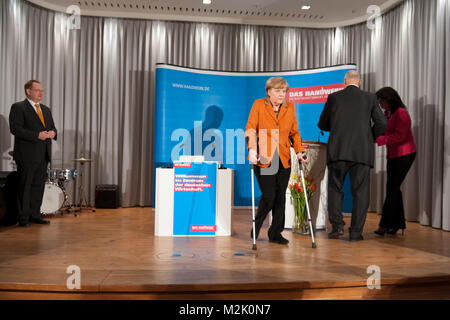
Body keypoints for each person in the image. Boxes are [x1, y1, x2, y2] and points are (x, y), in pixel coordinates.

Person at [318, 70, 386, 241]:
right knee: (361, 192)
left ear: (344, 81)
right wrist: (369, 137)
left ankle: (337, 227)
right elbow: (382, 123)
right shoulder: (370, 98)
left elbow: (322, 123)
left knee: (335, 188)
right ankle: (356, 232)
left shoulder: (333, 97)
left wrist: (337, 127)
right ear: (360, 82)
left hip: (338, 151)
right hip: (362, 152)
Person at [245, 77, 308, 245]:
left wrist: (300, 151)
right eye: (278, 91)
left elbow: (294, 133)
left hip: (284, 157)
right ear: (269, 92)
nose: (282, 95)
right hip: (265, 155)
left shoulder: (290, 108)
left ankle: (275, 233)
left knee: (280, 197)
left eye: (284, 91)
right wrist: (252, 148)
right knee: (269, 195)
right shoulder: (259, 105)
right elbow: (251, 128)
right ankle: (257, 225)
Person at [9, 80, 57, 227]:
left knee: (38, 186)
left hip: (43, 154)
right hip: (27, 155)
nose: (41, 93)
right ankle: (23, 218)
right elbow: (16, 129)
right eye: (37, 90)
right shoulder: (18, 107)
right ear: (28, 91)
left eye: (42, 90)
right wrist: (37, 135)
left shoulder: (46, 109)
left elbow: (53, 129)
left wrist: (52, 133)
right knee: (26, 186)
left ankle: (35, 215)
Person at [373, 87, 416, 236]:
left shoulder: (402, 114)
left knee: (392, 189)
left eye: (382, 101)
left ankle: (384, 225)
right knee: (393, 188)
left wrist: (381, 139)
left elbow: (400, 136)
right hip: (393, 155)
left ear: (390, 100)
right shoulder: (388, 114)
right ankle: (397, 224)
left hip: (405, 155)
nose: (380, 104)